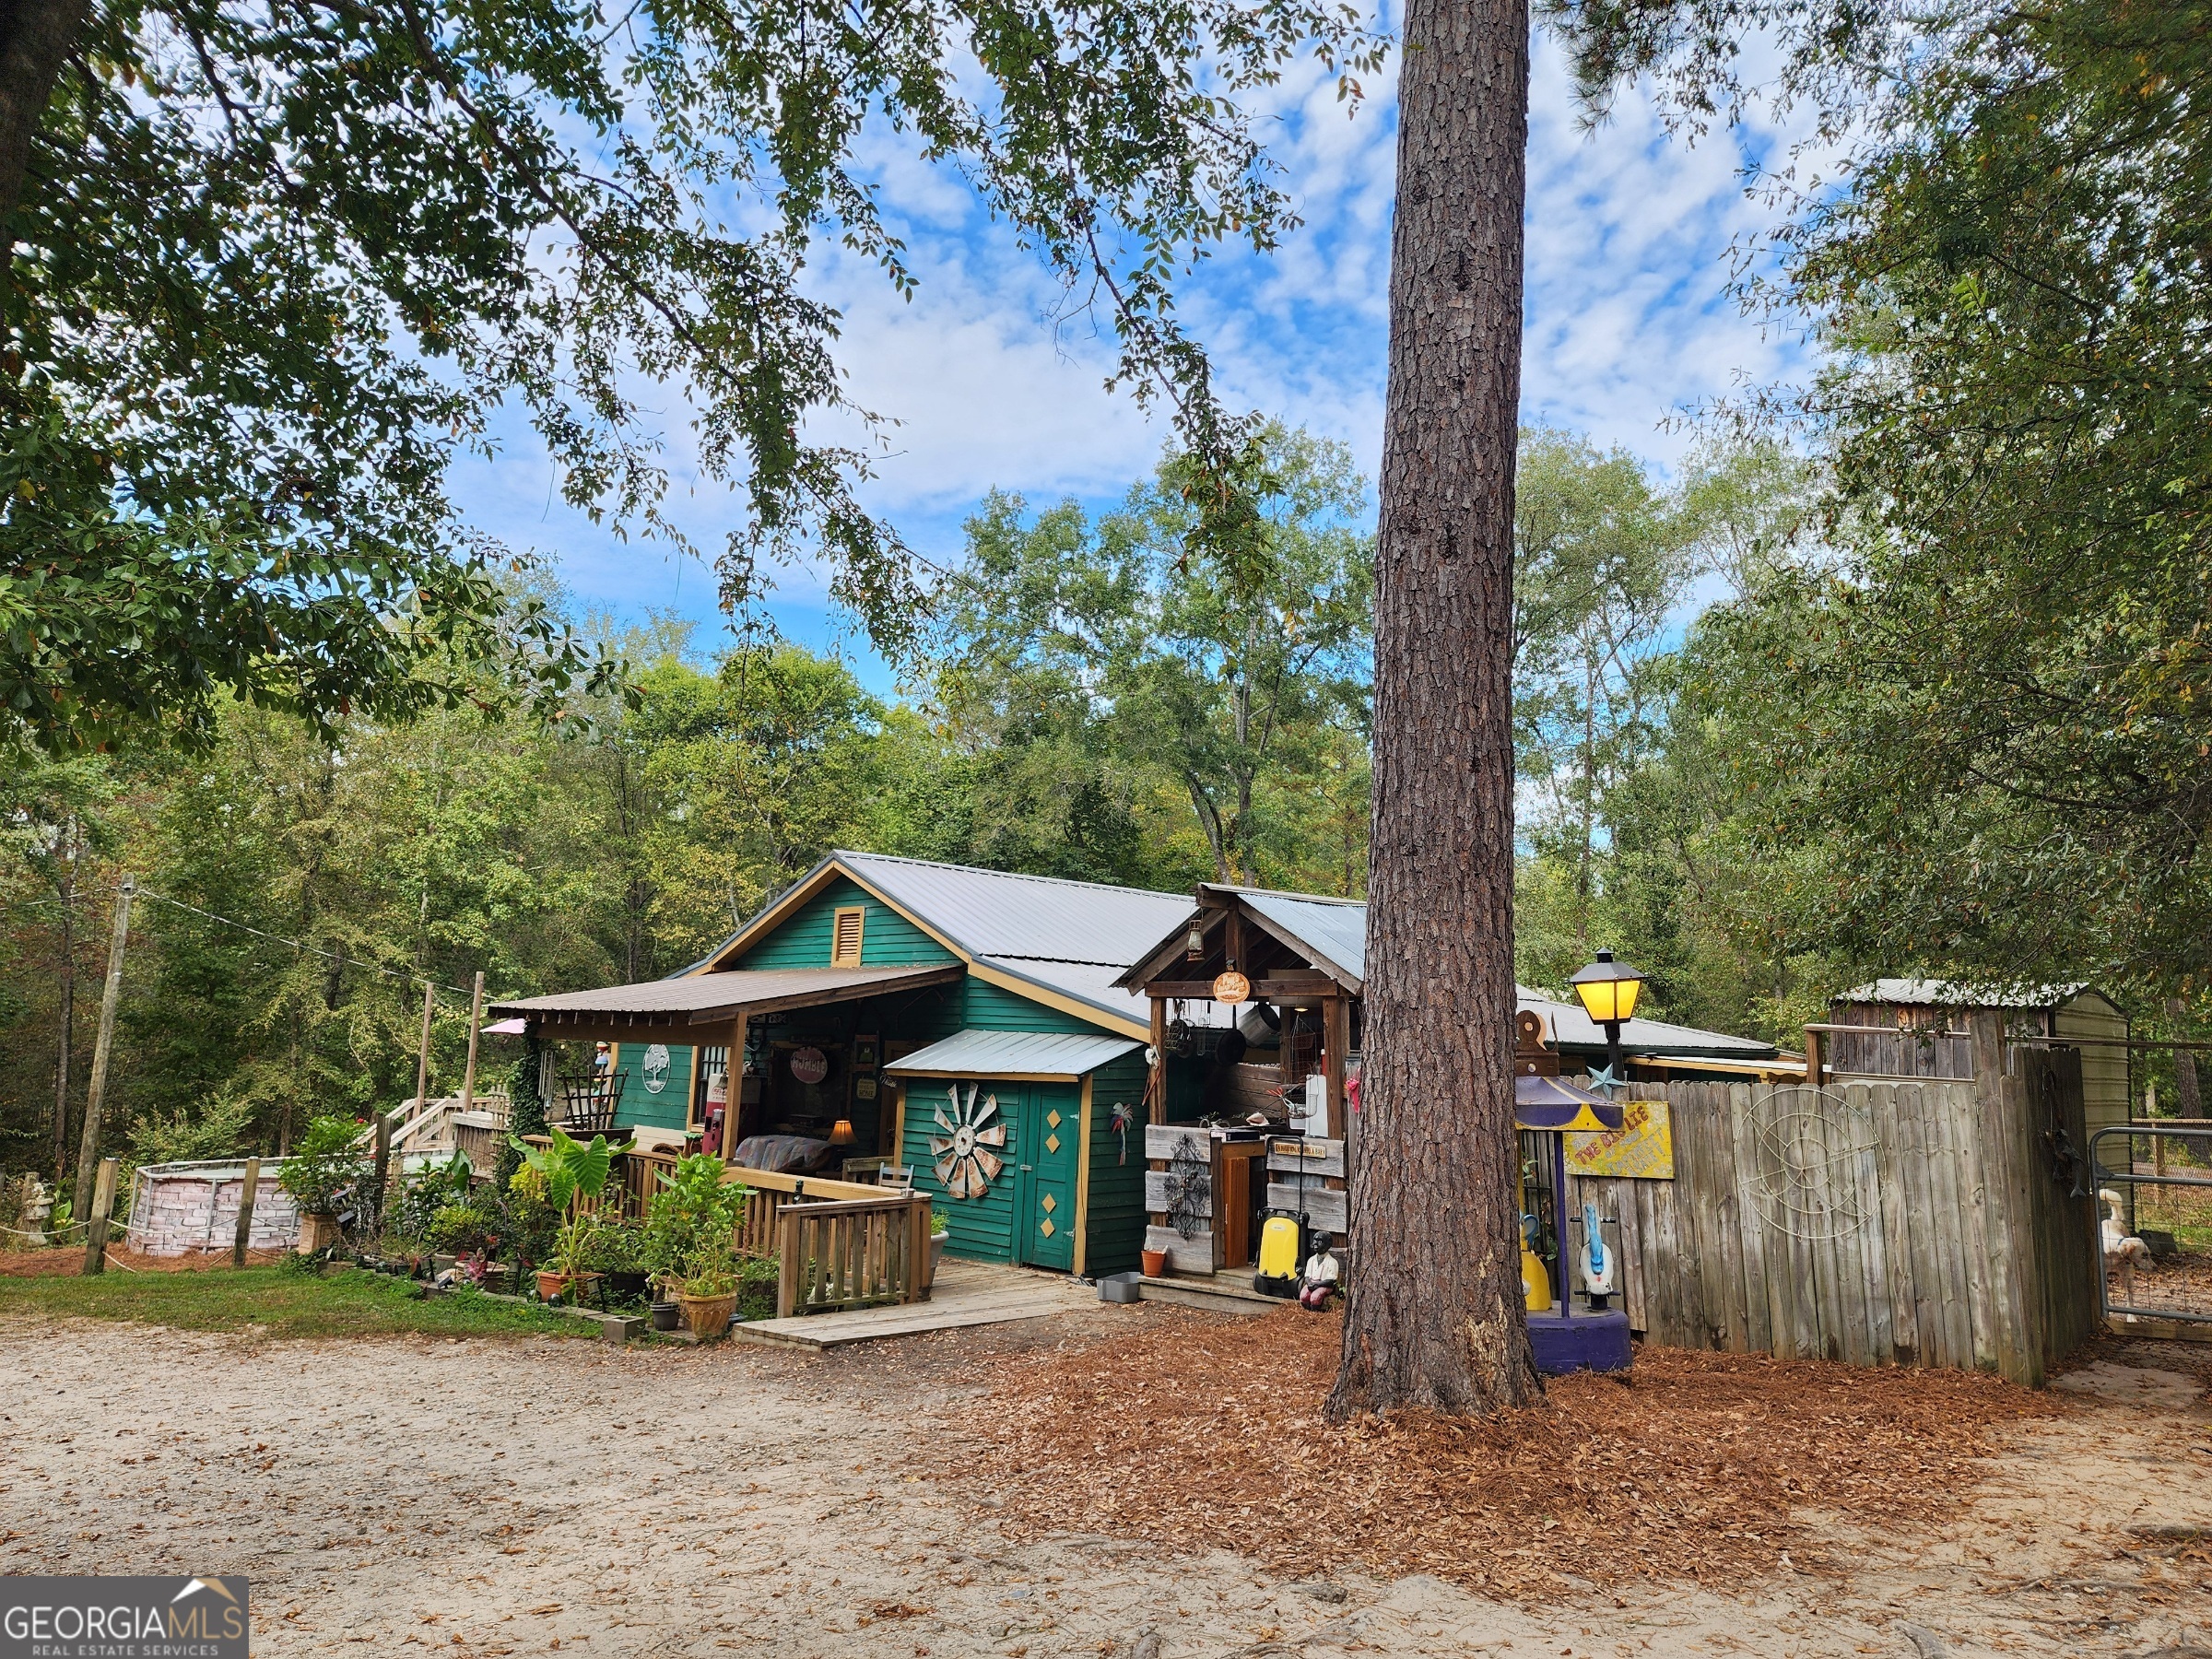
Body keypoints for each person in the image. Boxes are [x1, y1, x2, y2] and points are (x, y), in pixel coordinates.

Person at [1298, 1231, 1341, 1311]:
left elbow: (1331, 1280)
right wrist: (1309, 1283)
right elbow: (1307, 1275)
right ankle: (1307, 1312)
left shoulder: (1332, 1262)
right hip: (1312, 1283)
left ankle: (1316, 1312)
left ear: (1327, 1245)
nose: (1315, 1244)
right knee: (1303, 1296)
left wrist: (1318, 1284)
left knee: (1315, 1297)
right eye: (1315, 1241)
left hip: (1324, 1285)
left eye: (1320, 1242)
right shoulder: (1311, 1260)